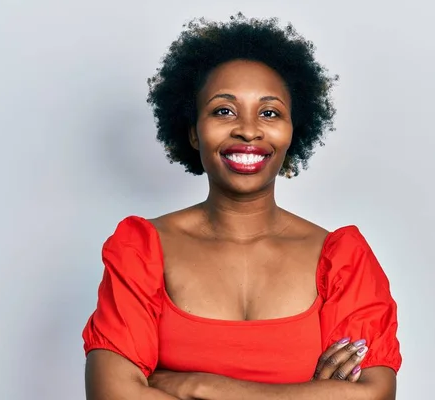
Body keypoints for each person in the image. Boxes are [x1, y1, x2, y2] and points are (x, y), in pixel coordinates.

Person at [82, 13, 402, 400]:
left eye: (269, 113)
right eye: (223, 111)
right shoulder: (142, 250)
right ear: (192, 133)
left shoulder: (342, 261)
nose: (248, 130)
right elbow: (113, 395)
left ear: (292, 132)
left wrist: (195, 385)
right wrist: (310, 393)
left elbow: (373, 395)